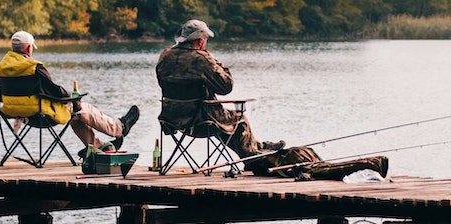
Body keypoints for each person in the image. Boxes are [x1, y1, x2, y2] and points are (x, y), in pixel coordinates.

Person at [155, 20, 387, 180]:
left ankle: (260, 149)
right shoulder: (201, 59)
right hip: (200, 119)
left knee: (231, 124)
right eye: (206, 40)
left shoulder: (165, 56)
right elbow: (226, 87)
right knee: (239, 120)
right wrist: (215, 61)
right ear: (201, 41)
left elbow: (163, 83)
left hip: (173, 120)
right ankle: (256, 157)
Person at [0, 31, 139, 156]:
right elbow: (55, 91)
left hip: (14, 113)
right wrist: (72, 97)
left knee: (76, 116)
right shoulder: (34, 67)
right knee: (82, 108)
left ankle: (100, 147)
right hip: (41, 114)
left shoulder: (0, 68)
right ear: (29, 48)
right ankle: (119, 128)